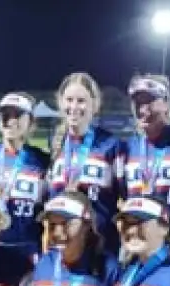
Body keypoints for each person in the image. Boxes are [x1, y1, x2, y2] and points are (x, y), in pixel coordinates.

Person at [46, 72, 124, 255]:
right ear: (60, 103)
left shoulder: (111, 145)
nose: (74, 106)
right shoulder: (56, 146)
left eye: (81, 101)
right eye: (69, 100)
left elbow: (125, 197)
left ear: (94, 105)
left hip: (101, 248)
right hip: (61, 246)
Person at [123, 74, 170, 253]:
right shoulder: (129, 146)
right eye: (138, 103)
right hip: (140, 245)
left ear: (166, 103)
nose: (143, 110)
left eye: (150, 101)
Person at [0, 92, 52, 263]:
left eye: (18, 115)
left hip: (28, 248)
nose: (10, 120)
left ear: (31, 123)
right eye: (5, 115)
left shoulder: (42, 160)